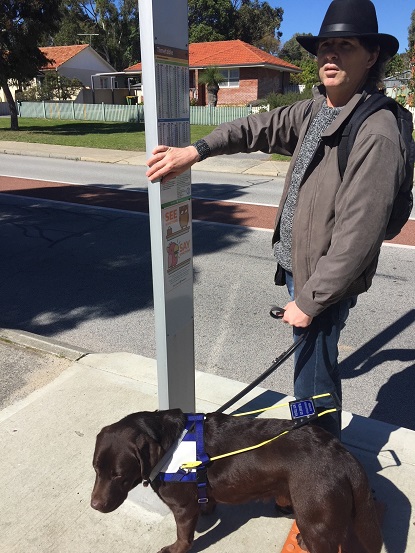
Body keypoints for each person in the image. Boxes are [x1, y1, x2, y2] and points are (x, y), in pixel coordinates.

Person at [146, 0, 404, 439]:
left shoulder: (375, 131)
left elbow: (358, 234)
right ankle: (316, 467)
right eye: (325, 46)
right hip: (299, 273)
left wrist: (310, 300)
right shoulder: (315, 111)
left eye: (345, 46)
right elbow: (254, 128)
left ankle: (321, 480)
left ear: (371, 55)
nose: (331, 56)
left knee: (313, 386)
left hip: (321, 284)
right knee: (311, 377)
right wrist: (197, 151)